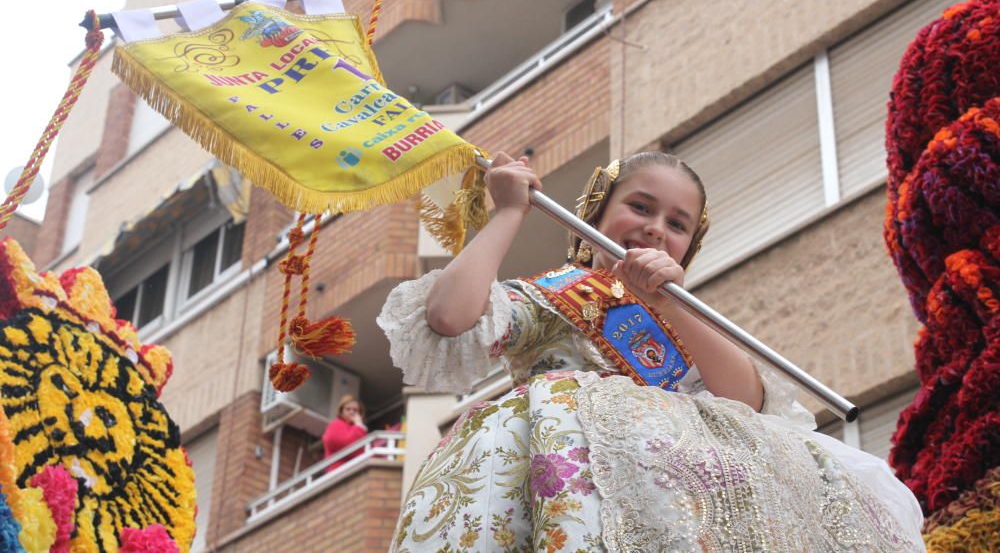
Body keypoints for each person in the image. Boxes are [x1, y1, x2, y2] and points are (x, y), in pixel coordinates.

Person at [378, 152, 925, 552]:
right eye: (640, 207)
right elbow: (449, 317)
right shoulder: (553, 294)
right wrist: (508, 214)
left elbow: (747, 403)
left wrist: (672, 302)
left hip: (684, 501)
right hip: (571, 472)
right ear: (594, 215)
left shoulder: (682, 318)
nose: (656, 230)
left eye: (678, 225)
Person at [321, 394, 367, 472]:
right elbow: (351, 446)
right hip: (339, 472)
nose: (351, 412)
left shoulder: (359, 428)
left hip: (355, 471)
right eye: (348, 409)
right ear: (341, 411)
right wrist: (359, 426)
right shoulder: (335, 425)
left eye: (355, 410)